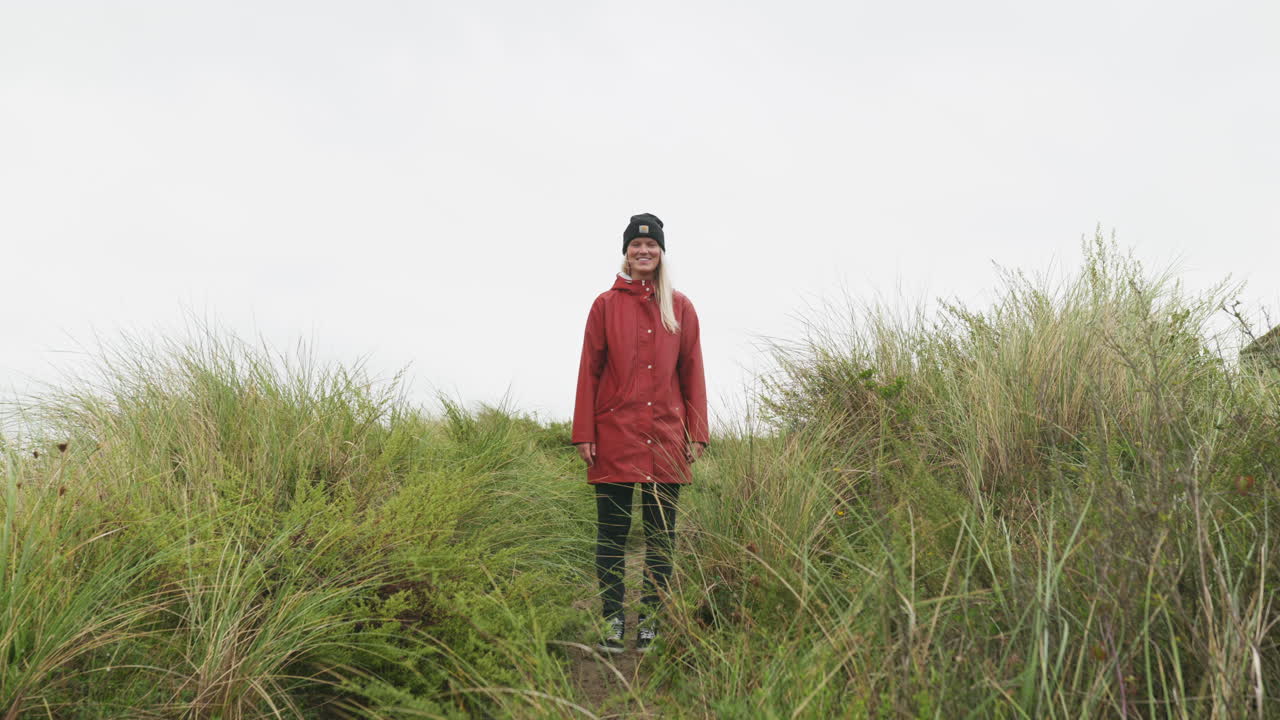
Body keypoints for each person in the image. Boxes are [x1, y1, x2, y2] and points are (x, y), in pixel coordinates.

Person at [572, 212, 709, 654]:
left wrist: (697, 431)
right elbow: (589, 372)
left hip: (666, 438)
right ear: (626, 252)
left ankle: (650, 620)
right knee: (611, 533)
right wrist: (584, 432)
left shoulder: (681, 307)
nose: (644, 251)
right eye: (636, 245)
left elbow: (692, 372)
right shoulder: (604, 305)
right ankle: (613, 619)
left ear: (661, 252)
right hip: (613, 434)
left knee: (660, 535)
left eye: (651, 246)